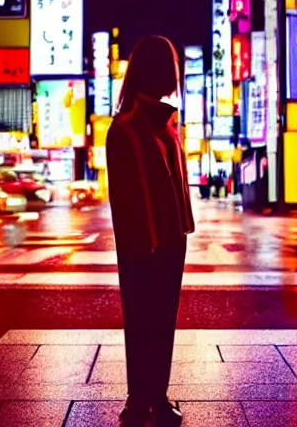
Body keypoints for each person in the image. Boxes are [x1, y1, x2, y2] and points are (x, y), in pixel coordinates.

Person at [106, 36, 195, 427]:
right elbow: (125, 202)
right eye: (169, 67)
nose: (173, 75)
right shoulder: (126, 128)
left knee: (163, 323)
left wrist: (181, 233)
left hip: (172, 242)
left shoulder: (166, 126)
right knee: (142, 321)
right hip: (144, 246)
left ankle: (155, 395)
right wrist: (147, 245)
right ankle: (138, 398)